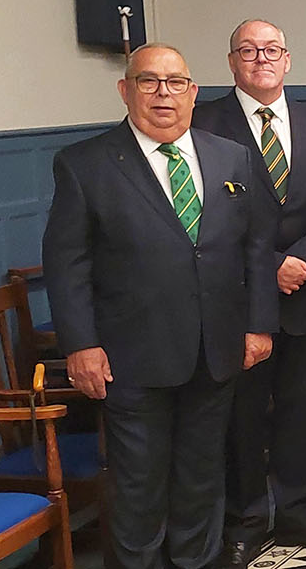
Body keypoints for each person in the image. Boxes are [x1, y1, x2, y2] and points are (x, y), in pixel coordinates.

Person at [45, 43, 277, 569]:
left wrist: (259, 325)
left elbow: (257, 249)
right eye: (148, 82)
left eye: (175, 83)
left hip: (215, 351)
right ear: (125, 91)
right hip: (133, 358)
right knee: (139, 485)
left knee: (200, 477)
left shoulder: (231, 157)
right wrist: (81, 345)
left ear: (194, 93)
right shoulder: (85, 165)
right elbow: (68, 266)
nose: (163, 94)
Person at [195, 20, 306, 566]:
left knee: (301, 409)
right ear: (231, 61)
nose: (261, 58)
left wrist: (303, 260)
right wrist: (270, 267)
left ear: (288, 60)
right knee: (243, 414)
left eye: (271, 50)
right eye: (249, 50)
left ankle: (300, 514)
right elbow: (204, 215)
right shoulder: (205, 124)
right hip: (241, 300)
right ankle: (244, 520)